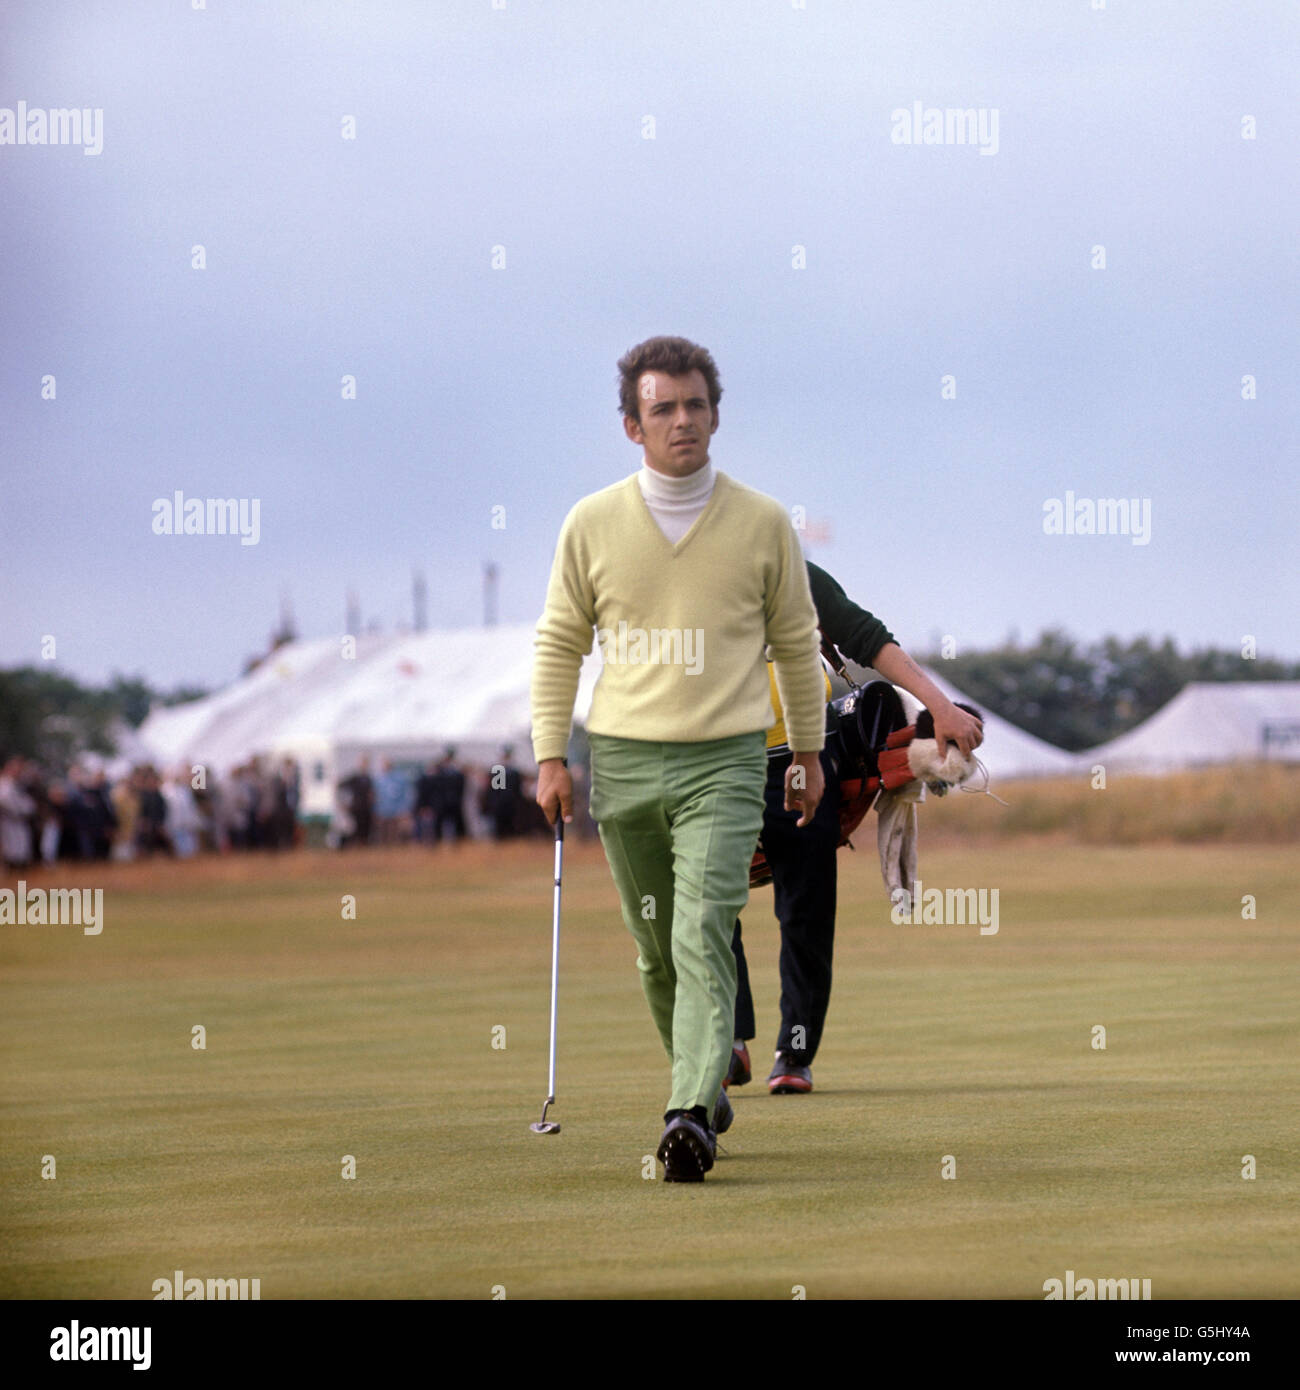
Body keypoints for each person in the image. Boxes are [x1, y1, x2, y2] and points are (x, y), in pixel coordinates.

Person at [531, 335, 827, 1182]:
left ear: (716, 415)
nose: (682, 420)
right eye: (663, 408)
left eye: (696, 404)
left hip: (728, 762)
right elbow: (558, 642)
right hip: (622, 761)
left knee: (704, 930)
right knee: (656, 945)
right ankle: (703, 1081)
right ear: (633, 426)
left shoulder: (764, 522)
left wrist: (805, 752)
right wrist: (549, 755)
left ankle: (689, 1111)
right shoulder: (590, 524)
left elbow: (797, 645)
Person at [727, 561, 984, 1096]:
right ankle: (726, 1039)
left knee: (807, 912)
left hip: (808, 756)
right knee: (706, 905)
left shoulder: (781, 562)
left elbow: (866, 637)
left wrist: (937, 706)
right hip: (715, 764)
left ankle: (793, 1053)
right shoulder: (683, 575)